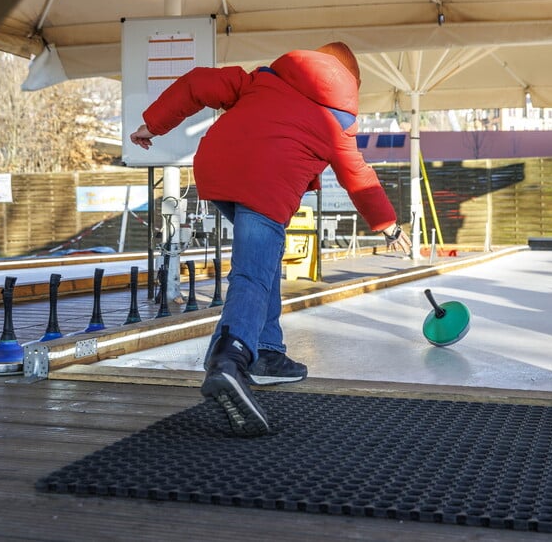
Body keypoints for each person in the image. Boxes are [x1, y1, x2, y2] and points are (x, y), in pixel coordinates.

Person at [130, 42, 410, 436]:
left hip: (219, 167)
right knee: (253, 274)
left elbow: (197, 83)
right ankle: (231, 357)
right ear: (352, 81)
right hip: (268, 182)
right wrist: (389, 226)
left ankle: (268, 352)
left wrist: (154, 125)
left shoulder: (264, 79)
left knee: (264, 261)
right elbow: (359, 178)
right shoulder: (337, 120)